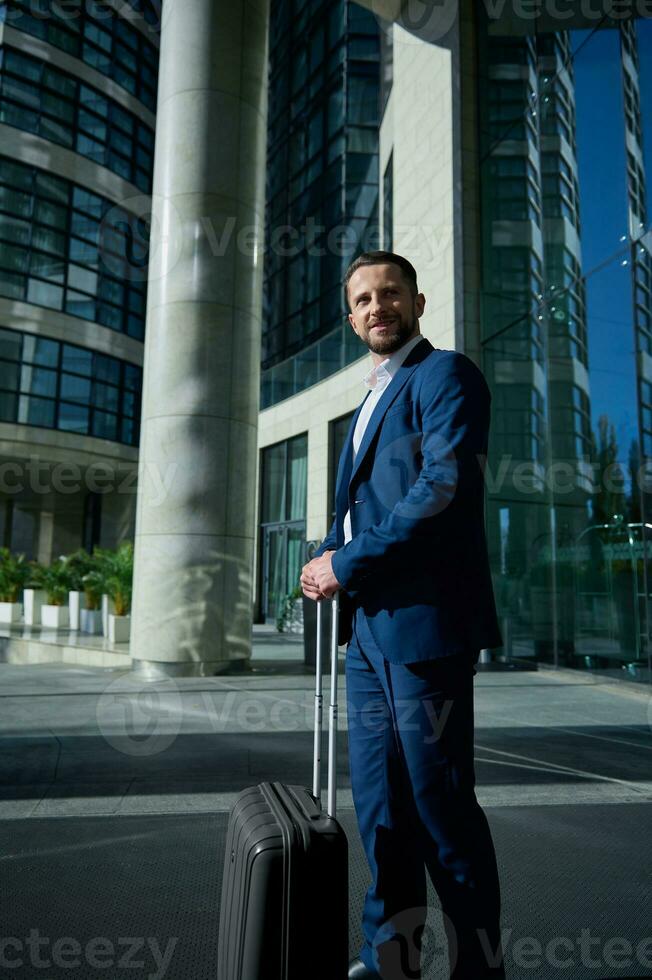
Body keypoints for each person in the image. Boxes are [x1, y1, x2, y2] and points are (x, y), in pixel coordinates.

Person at [300, 251, 506, 980]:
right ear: (352, 316)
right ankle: (387, 959)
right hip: (369, 637)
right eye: (361, 300)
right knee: (383, 808)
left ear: (417, 300)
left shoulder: (444, 375)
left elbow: (440, 492)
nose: (376, 307)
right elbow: (364, 512)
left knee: (440, 812)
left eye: (390, 293)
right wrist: (326, 556)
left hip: (425, 631)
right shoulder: (369, 400)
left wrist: (347, 565)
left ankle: (479, 971)